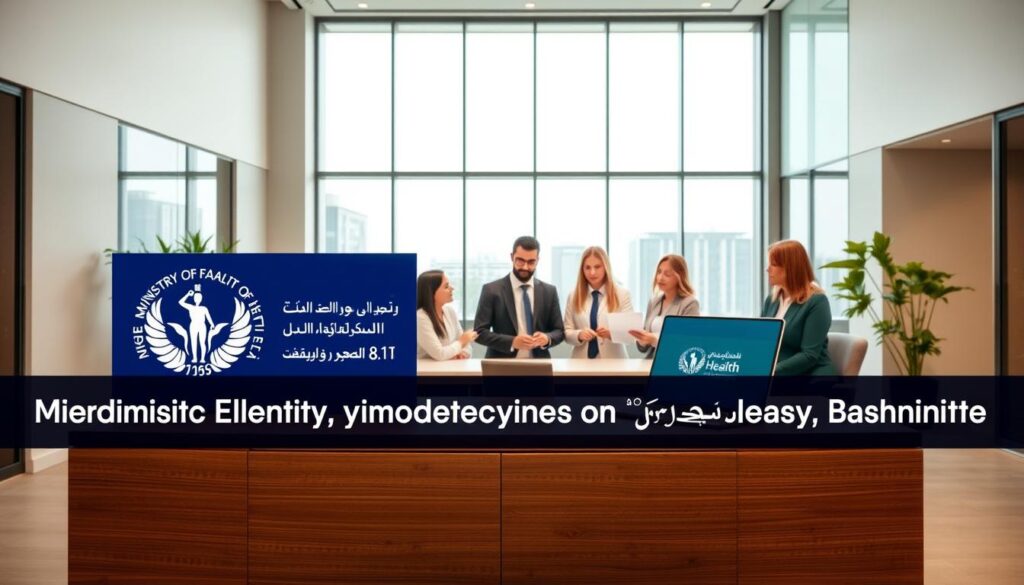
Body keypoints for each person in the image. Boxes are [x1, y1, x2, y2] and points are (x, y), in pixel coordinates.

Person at [473, 235, 565, 358]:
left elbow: (559, 331)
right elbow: (479, 333)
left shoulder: (549, 291)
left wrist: (547, 338)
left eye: (531, 262)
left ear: (537, 260)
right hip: (501, 367)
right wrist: (512, 342)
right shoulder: (491, 290)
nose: (525, 267)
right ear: (512, 257)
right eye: (520, 260)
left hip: (539, 366)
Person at [762, 240, 837, 375]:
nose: (767, 269)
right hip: (777, 374)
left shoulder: (817, 301)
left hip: (809, 375)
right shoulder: (771, 300)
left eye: (773, 264)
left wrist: (771, 372)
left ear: (790, 268)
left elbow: (809, 356)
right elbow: (762, 341)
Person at [563, 246, 633, 359]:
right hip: (580, 363)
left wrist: (611, 333)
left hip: (614, 363)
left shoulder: (622, 294)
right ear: (582, 270)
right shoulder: (573, 296)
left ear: (605, 267)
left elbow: (630, 334)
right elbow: (566, 332)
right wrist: (579, 334)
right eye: (587, 267)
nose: (592, 272)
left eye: (597, 267)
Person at [629, 254, 700, 359]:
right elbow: (643, 349)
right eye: (659, 272)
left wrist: (655, 340)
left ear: (679, 277)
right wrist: (642, 341)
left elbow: (688, 343)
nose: (660, 278)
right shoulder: (653, 302)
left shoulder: (690, 303)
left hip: (675, 364)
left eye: (667, 274)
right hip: (650, 363)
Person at [416, 270, 477, 361]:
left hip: (450, 368)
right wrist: (461, 342)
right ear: (432, 292)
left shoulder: (449, 311)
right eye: (446, 286)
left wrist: (462, 354)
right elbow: (439, 354)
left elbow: (467, 347)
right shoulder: (420, 317)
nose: (452, 288)